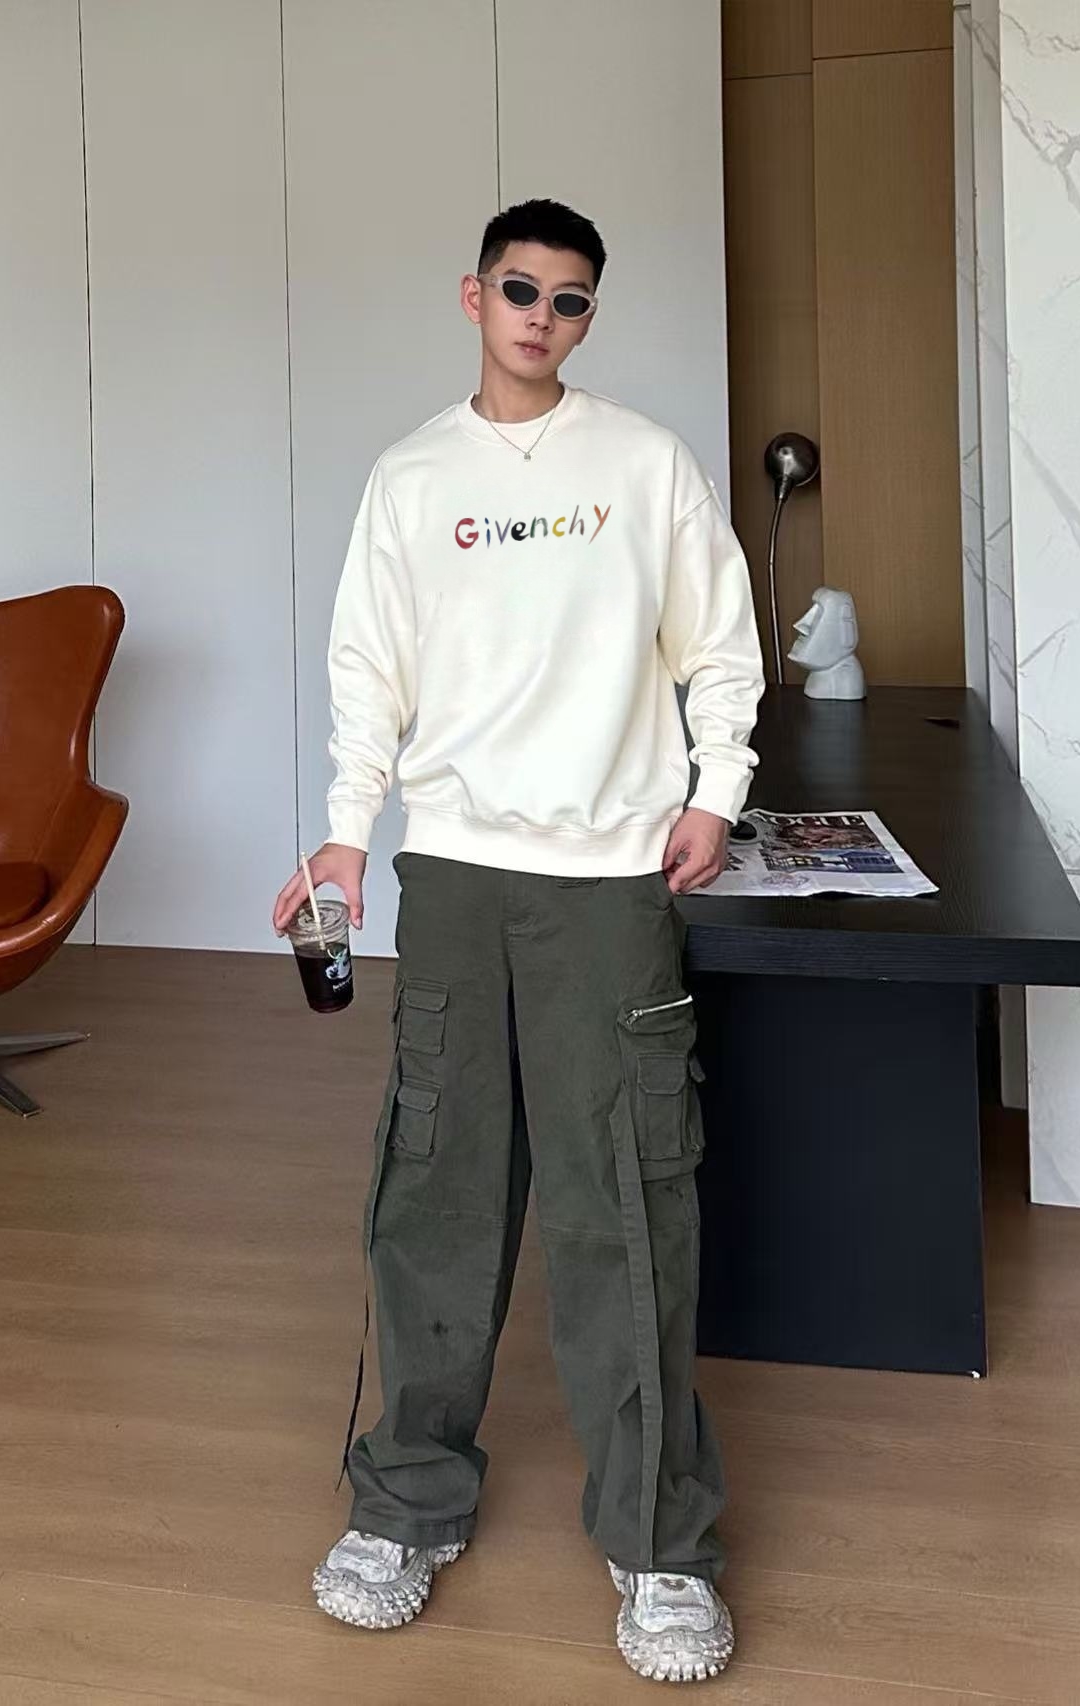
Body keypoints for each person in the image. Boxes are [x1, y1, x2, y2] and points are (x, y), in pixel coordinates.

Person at [272, 197, 764, 1686]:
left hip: (610, 879)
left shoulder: (645, 465)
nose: (541, 317)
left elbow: (719, 642)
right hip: (456, 875)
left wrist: (717, 791)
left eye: (569, 299)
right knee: (437, 1192)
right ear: (473, 296)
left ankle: (659, 1538)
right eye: (519, 290)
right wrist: (345, 830)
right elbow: (368, 670)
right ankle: (407, 1502)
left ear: (588, 317)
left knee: (628, 1202)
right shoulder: (414, 477)